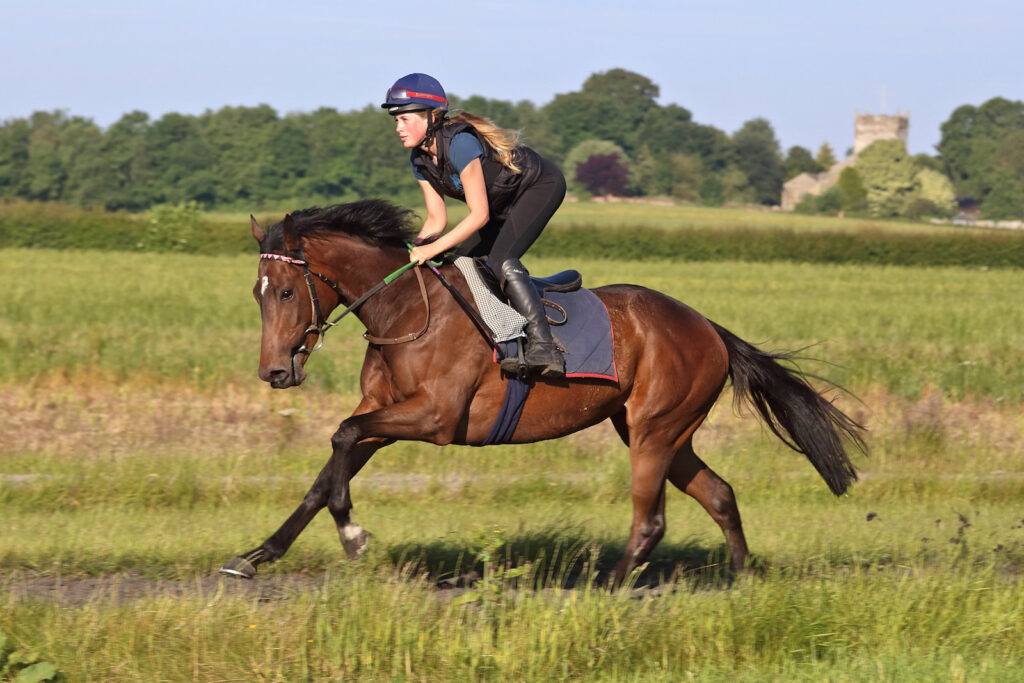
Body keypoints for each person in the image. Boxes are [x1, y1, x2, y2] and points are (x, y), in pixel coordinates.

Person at [382, 73, 566, 378]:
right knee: (461, 261)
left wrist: (433, 249)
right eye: (395, 121)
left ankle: (544, 347)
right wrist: (414, 251)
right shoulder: (419, 159)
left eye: (404, 119)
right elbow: (435, 219)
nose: (398, 128)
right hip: (499, 203)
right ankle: (503, 333)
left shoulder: (461, 144)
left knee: (500, 261)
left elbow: (479, 215)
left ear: (431, 116)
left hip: (538, 186)